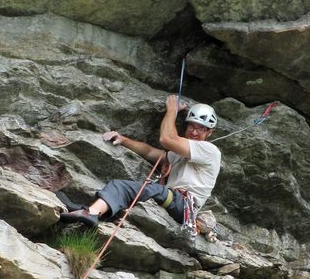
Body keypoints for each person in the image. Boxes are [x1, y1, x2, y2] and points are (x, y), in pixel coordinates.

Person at [59, 94, 221, 229]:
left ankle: (91, 214)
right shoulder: (179, 154)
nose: (193, 131)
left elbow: (166, 139)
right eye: (191, 126)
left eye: (200, 128)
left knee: (123, 186)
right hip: (175, 202)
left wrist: (172, 109)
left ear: (210, 132)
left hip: (184, 205)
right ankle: (90, 211)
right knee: (139, 191)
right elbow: (150, 152)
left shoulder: (209, 150)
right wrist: (123, 140)